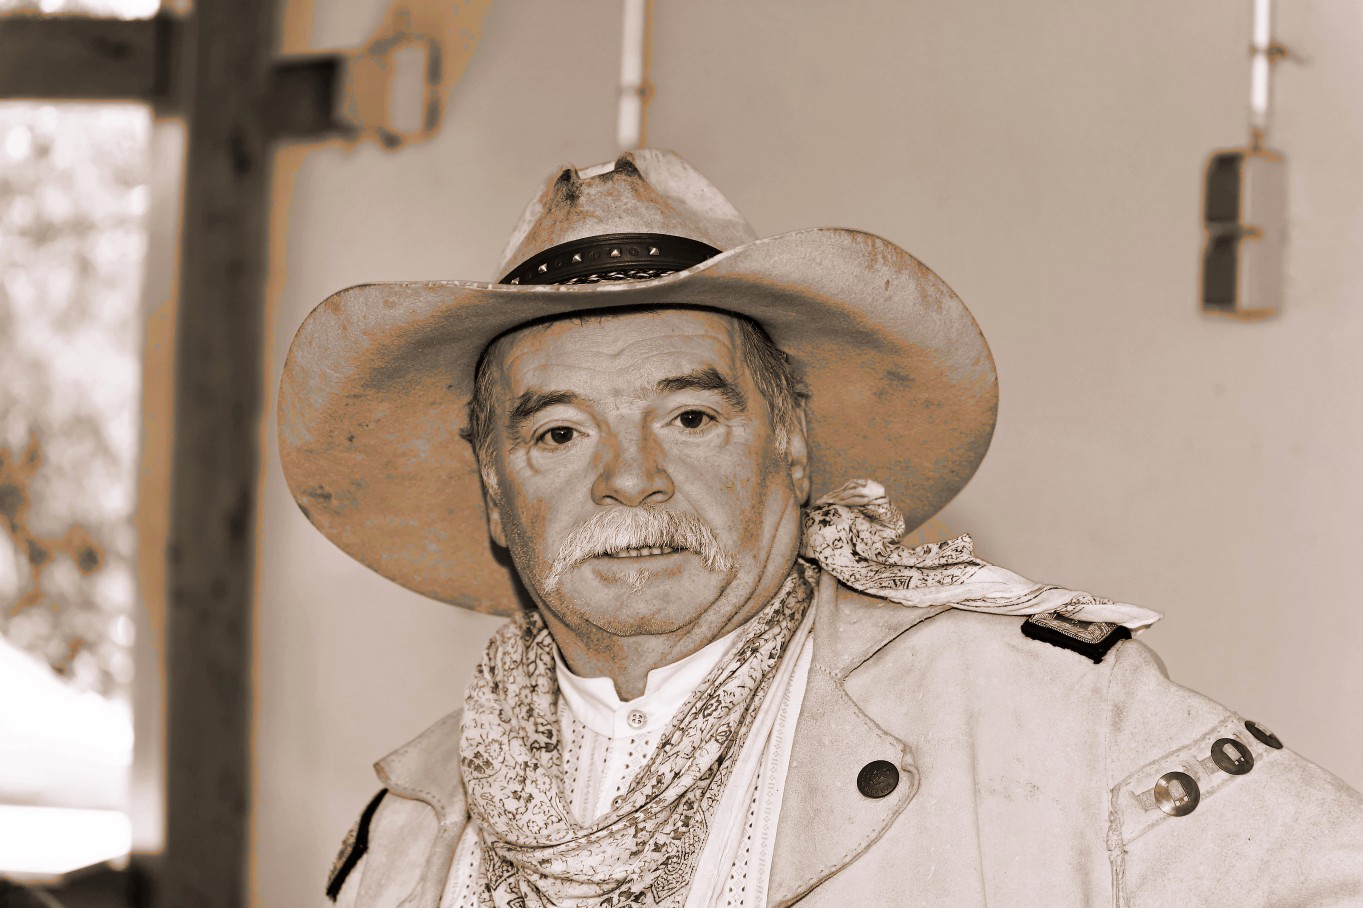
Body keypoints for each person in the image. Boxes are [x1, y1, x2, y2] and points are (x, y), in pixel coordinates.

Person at [277, 150, 1363, 907]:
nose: (631, 481)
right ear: (494, 492)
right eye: (558, 434)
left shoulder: (1044, 716)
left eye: (691, 418)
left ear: (790, 444)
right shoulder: (415, 824)